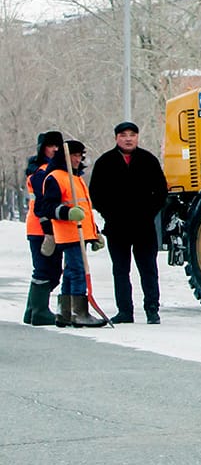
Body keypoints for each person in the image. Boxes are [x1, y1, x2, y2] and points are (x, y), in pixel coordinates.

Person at [89, 121, 168, 324]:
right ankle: (125, 311)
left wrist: (149, 212)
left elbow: (160, 191)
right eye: (123, 135)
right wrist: (110, 213)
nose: (128, 138)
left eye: (132, 134)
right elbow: (96, 194)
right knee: (121, 270)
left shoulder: (148, 160)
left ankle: (152, 310)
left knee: (148, 269)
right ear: (116, 138)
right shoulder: (105, 162)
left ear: (137, 137)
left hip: (144, 226)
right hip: (117, 227)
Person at [37, 140, 106, 328]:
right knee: (78, 271)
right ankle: (79, 312)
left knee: (69, 272)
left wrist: (94, 234)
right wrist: (67, 213)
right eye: (74, 156)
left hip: (80, 233)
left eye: (79, 156)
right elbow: (47, 207)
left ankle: (64, 312)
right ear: (64, 157)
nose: (77, 159)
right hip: (68, 233)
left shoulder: (77, 178)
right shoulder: (56, 177)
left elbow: (84, 209)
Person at [22, 131, 64, 326]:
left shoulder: (44, 169)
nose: (55, 149)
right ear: (42, 148)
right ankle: (39, 311)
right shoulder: (42, 172)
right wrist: (48, 229)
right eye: (51, 146)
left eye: (58, 146)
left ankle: (32, 309)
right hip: (42, 228)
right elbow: (42, 202)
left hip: (41, 226)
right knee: (46, 269)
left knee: (48, 269)